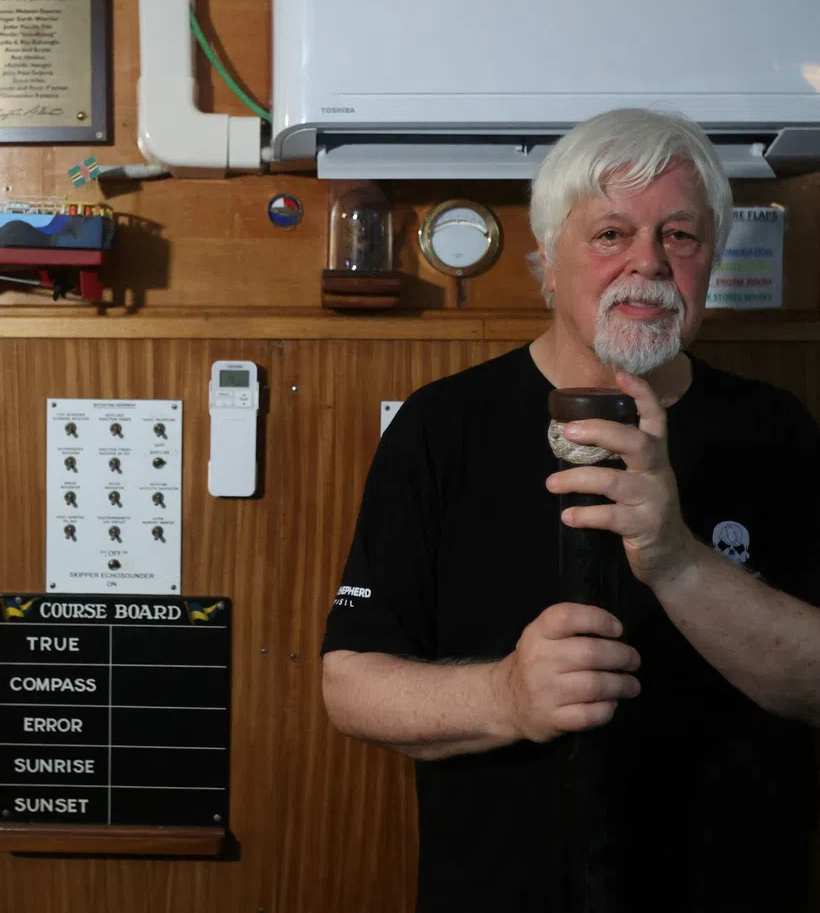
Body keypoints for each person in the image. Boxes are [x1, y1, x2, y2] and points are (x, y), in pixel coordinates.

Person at [321, 108, 820, 912]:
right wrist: (506, 699)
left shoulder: (776, 428)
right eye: (611, 234)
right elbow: (349, 683)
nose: (648, 265)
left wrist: (678, 560)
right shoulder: (443, 426)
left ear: (711, 263)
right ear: (547, 265)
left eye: (681, 237)